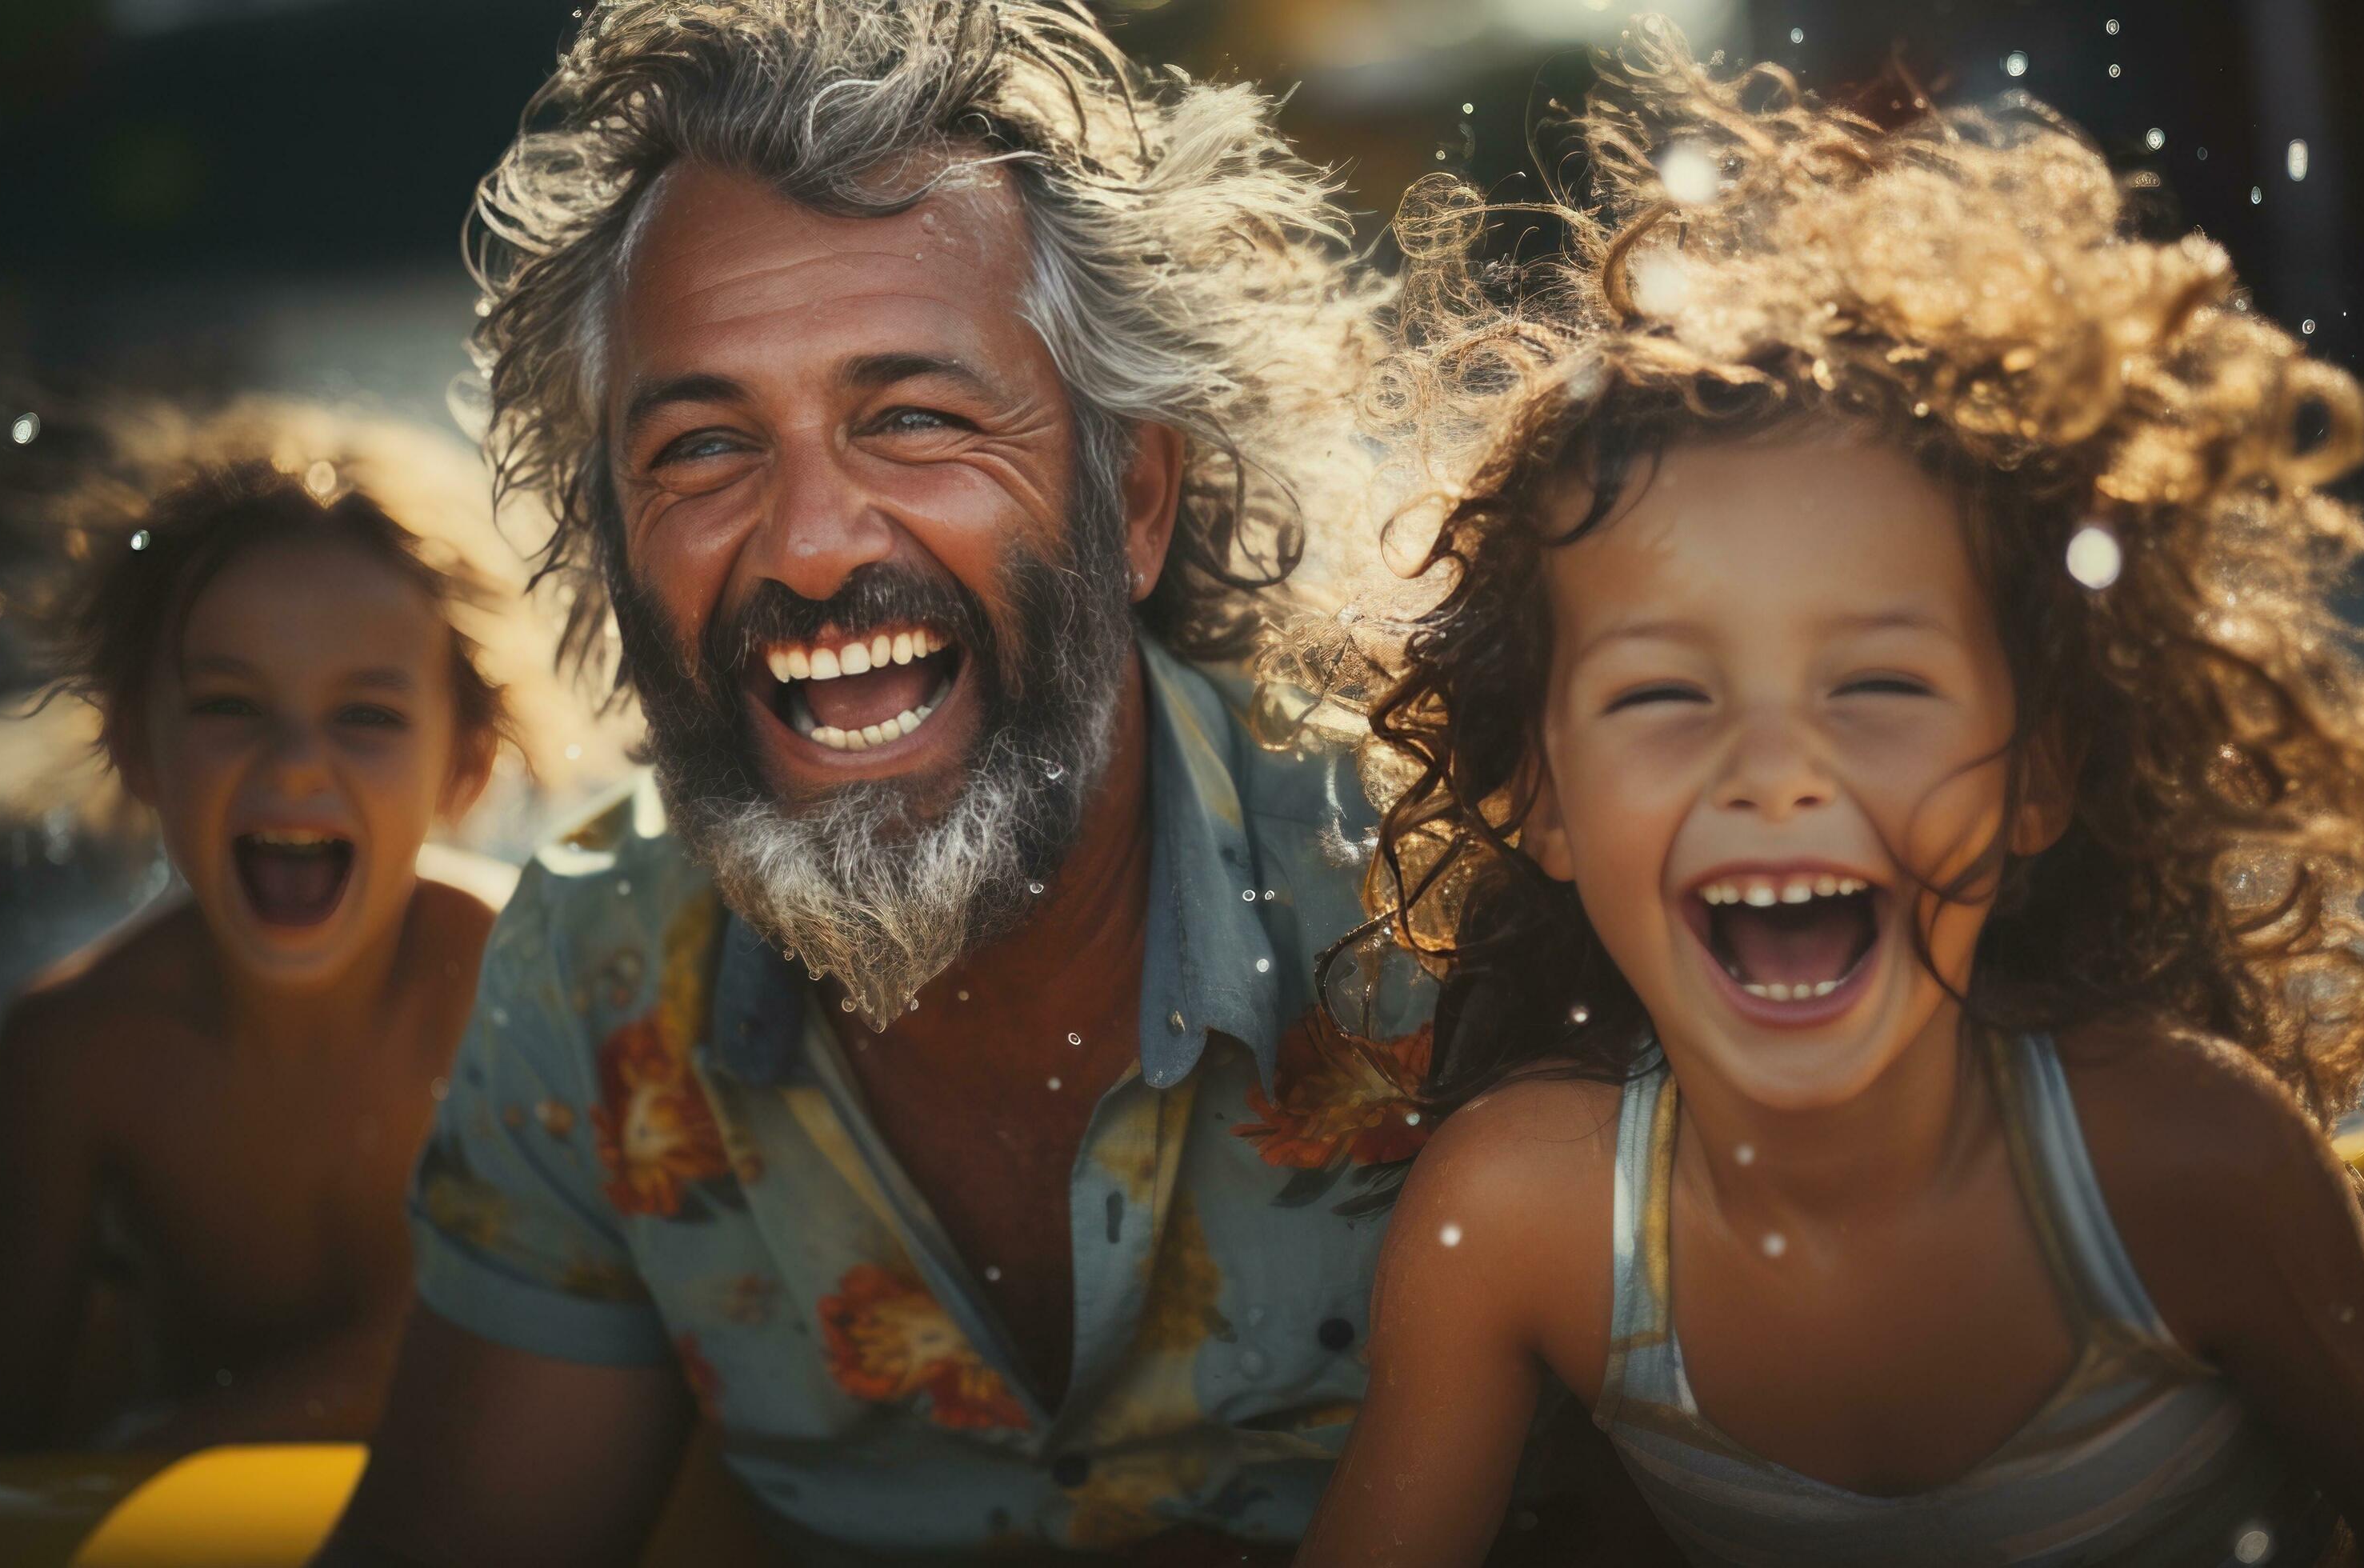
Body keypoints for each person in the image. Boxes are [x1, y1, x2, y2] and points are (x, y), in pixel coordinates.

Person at [319, 5, 1666, 1565]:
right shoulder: (591, 977)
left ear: (1136, 499)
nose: (814, 542)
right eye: (699, 449)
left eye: (916, 419)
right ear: (615, 554)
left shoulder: (1461, 909)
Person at [1297, 30, 2364, 1568]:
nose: (1778, 767)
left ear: (2041, 775)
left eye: (1876, 686)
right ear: (1537, 797)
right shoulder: (1520, 1223)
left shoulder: (2173, 1161)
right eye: (1665, 694)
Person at [0, 409, 520, 1454]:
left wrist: (155, 1456)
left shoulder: (521, 991)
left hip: (190, 1437)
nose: (297, 765)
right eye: (228, 706)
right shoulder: (80, 1051)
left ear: (465, 766)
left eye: (366, 716)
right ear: (135, 747)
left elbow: (484, 1341)